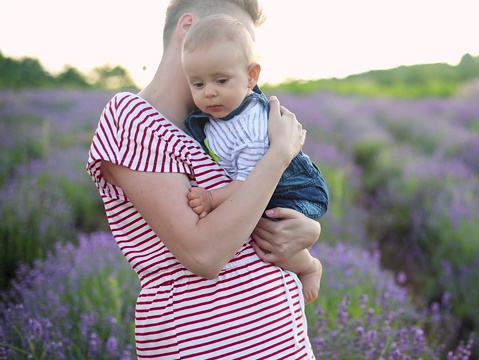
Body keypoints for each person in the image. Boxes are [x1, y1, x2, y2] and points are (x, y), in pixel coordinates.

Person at [86, 0, 319, 358]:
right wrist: (278, 155)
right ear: (188, 28)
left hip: (277, 343)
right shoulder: (132, 118)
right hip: (204, 345)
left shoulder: (211, 131)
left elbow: (246, 212)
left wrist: (305, 235)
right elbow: (204, 253)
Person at [181, 14, 328, 305]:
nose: (209, 92)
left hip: (293, 187)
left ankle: (309, 266)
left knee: (269, 233)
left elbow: (249, 184)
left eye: (221, 80)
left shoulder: (250, 126)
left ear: (251, 76)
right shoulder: (217, 115)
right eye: (197, 84)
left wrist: (211, 199)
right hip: (263, 181)